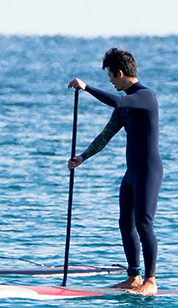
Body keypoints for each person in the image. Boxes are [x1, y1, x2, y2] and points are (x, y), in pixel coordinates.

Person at [68, 47, 161, 295]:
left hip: (148, 171)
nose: (110, 80)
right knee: (125, 223)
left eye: (110, 75)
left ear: (120, 73)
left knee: (144, 223)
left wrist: (87, 88)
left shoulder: (145, 96)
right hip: (131, 173)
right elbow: (106, 135)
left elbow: (117, 100)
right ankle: (134, 277)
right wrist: (83, 157)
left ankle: (151, 281)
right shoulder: (125, 106)